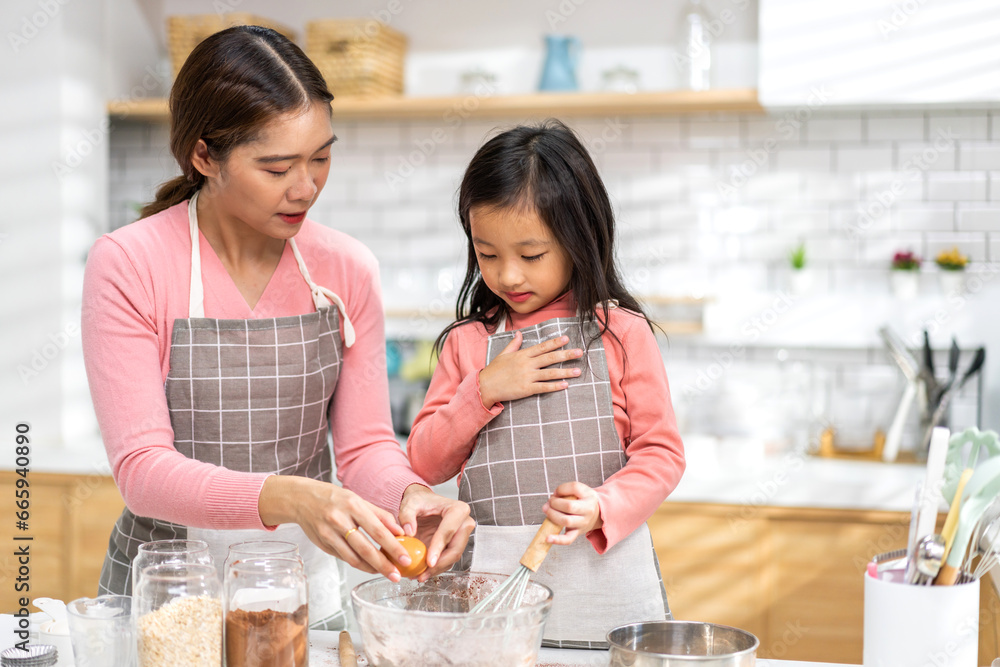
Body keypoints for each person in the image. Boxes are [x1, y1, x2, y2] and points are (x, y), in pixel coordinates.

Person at [81, 25, 473, 630]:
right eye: (277, 167)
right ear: (204, 155)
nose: (307, 187)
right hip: (169, 594)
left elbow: (366, 447)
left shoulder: (345, 268)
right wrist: (288, 496)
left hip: (297, 587)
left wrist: (407, 495)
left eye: (321, 157)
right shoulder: (130, 263)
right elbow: (143, 471)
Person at [407, 120, 686, 648]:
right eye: (488, 254)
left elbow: (662, 454)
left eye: (530, 255)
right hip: (494, 590)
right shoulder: (469, 344)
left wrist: (603, 505)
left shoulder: (621, 334)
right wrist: (483, 389)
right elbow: (424, 461)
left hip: (606, 583)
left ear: (579, 238)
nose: (508, 275)